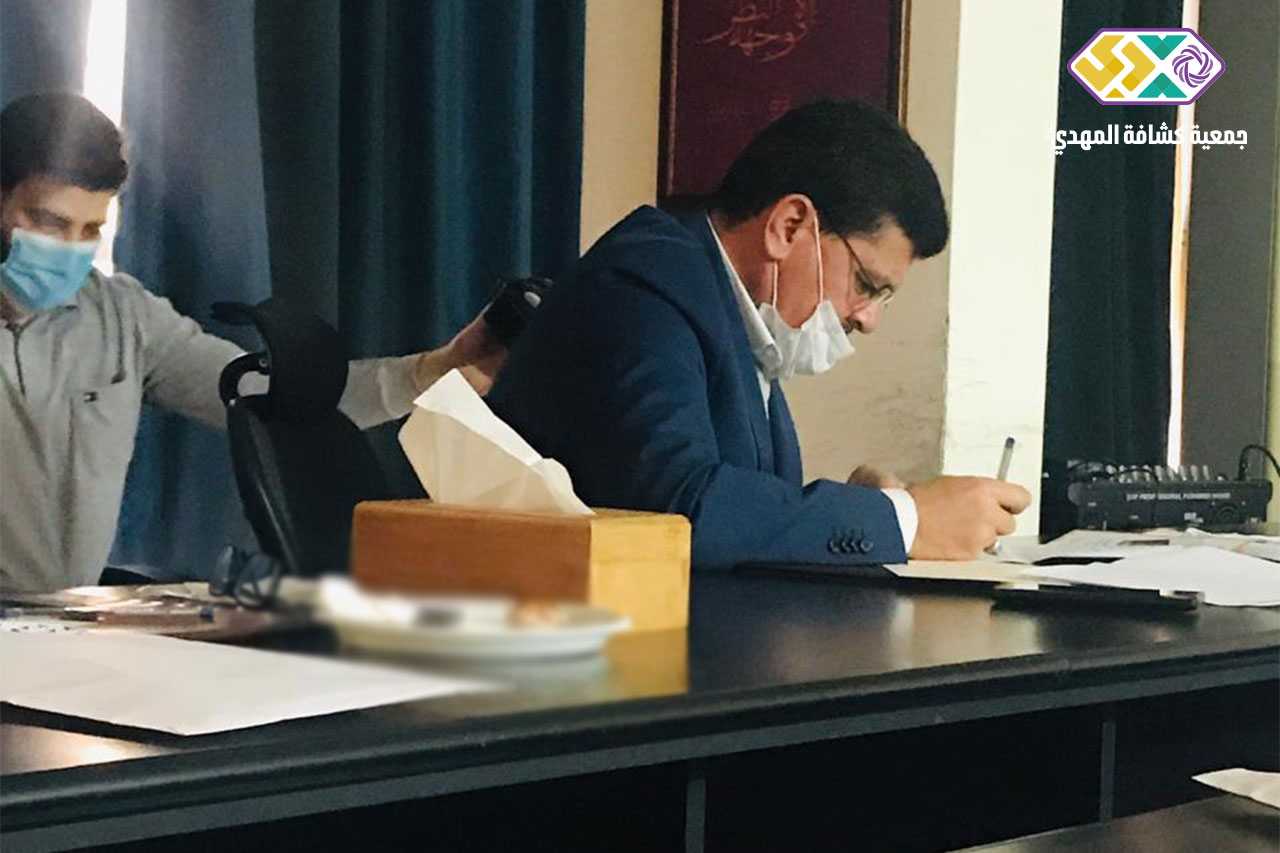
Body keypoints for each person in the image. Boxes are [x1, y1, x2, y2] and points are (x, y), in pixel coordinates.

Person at [489, 99, 1031, 570]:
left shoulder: (731, 314)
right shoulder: (644, 285)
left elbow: (737, 517)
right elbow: (677, 510)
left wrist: (860, 508)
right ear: (789, 225)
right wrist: (905, 519)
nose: (868, 319)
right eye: (866, 284)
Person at [0, 93, 506, 593]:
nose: (70, 249)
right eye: (49, 223)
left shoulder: (122, 317)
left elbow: (286, 400)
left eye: (90, 230)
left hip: (67, 621)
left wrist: (432, 371)